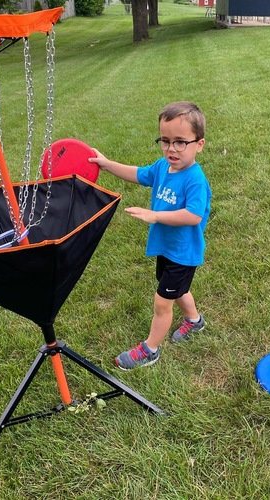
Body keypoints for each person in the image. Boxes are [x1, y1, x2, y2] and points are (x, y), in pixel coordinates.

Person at [89, 101, 212, 370]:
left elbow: (194, 215)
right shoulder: (161, 167)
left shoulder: (194, 179)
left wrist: (155, 216)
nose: (171, 148)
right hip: (166, 248)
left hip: (183, 253)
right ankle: (194, 322)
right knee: (179, 291)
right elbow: (137, 173)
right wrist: (107, 164)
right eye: (165, 141)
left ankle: (150, 349)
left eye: (181, 142)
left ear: (199, 144)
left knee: (162, 302)